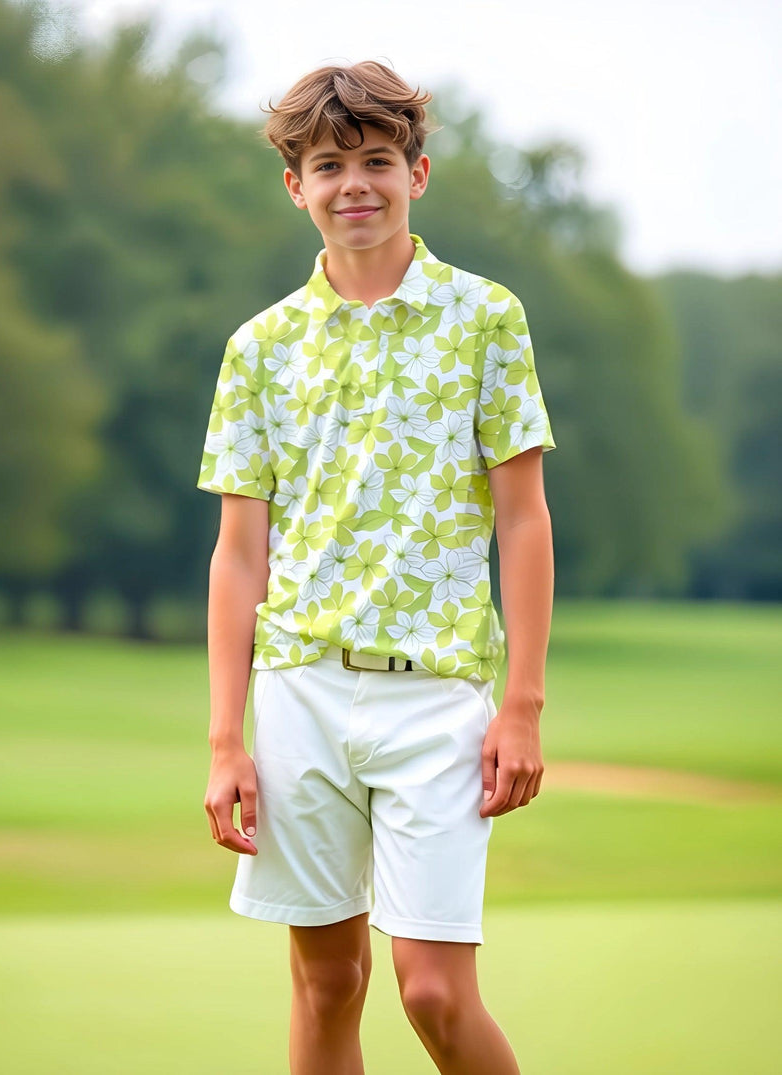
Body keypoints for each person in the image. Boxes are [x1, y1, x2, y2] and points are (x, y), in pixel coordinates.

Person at [198, 59, 556, 1075]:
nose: (352, 184)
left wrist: (519, 703)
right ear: (295, 187)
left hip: (437, 700)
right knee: (326, 985)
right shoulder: (259, 347)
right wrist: (226, 738)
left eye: (374, 161)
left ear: (417, 174)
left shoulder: (485, 318)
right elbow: (238, 554)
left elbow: (523, 521)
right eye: (327, 166)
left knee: (434, 991)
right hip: (299, 692)